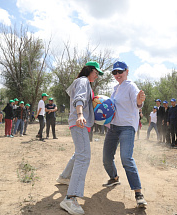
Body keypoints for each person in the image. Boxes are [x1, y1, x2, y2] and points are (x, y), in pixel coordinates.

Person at [57, 61, 103, 215]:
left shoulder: (83, 82)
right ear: (89, 70)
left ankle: (64, 177)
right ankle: (70, 198)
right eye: (96, 73)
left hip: (79, 123)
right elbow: (79, 99)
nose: (97, 76)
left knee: (79, 153)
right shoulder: (83, 81)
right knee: (84, 156)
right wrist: (81, 115)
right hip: (79, 123)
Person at [102, 61, 147, 207]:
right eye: (114, 73)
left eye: (120, 72)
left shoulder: (131, 86)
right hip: (113, 128)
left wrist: (140, 102)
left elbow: (138, 102)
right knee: (106, 158)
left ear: (127, 71)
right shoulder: (115, 89)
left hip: (127, 127)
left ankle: (138, 193)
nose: (117, 75)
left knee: (126, 158)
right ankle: (114, 178)